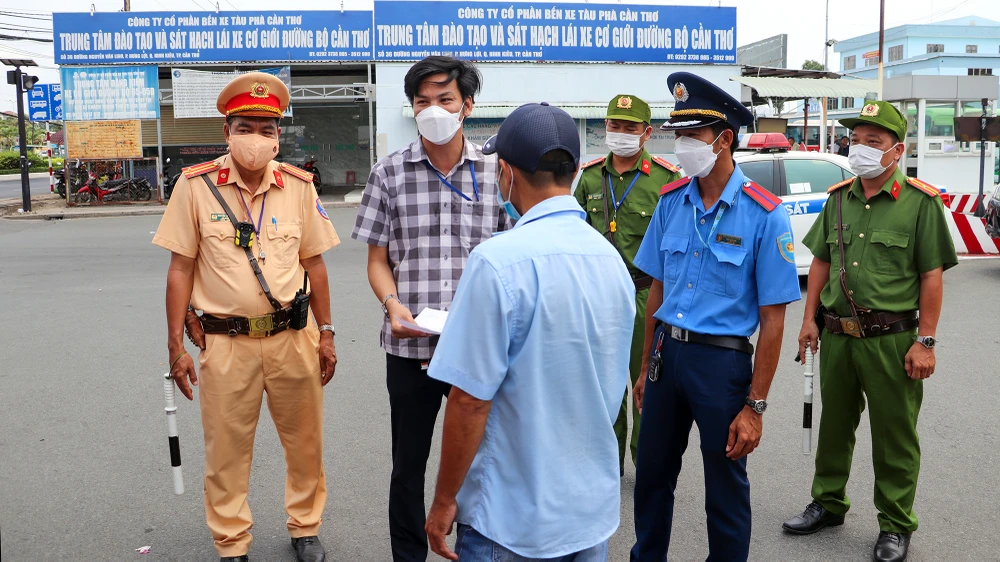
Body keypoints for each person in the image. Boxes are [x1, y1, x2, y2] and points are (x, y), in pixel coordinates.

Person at [423, 102, 635, 561]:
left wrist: (443, 501)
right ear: (574, 171)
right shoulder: (611, 260)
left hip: (510, 518)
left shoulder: (497, 262)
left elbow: (469, 401)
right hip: (588, 515)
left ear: (506, 173)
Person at [154, 72, 340, 562]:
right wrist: (174, 345)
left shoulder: (299, 186)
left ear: (278, 135)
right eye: (245, 127)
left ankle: (305, 528)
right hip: (225, 341)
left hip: (292, 338)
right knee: (226, 451)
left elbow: (315, 264)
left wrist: (326, 333)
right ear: (227, 132)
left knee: (305, 443)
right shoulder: (194, 186)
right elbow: (180, 268)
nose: (256, 138)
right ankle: (232, 541)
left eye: (266, 129)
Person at [629, 72, 801, 561]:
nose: (681, 145)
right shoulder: (671, 202)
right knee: (652, 477)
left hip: (720, 365)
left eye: (692, 135)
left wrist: (755, 406)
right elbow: (657, 289)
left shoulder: (764, 214)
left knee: (724, 488)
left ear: (724, 139)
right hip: (666, 357)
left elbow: (773, 321)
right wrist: (644, 367)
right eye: (678, 134)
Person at [782, 100, 958, 562]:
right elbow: (821, 262)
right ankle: (828, 502)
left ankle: (896, 523)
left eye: (872, 141)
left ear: (897, 150)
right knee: (834, 427)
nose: (859, 147)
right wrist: (808, 320)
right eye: (855, 139)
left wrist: (926, 341)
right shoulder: (838, 198)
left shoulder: (921, 203)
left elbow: (931, 275)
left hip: (891, 340)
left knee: (894, 435)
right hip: (838, 336)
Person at [351, 56, 510, 562]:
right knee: (409, 464)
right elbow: (378, 260)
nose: (433, 110)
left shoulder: (497, 171)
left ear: (467, 105)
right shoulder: (388, 172)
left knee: (481, 457)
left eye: (445, 99)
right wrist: (391, 303)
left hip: (477, 344)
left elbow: (514, 255)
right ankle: (408, 555)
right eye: (423, 102)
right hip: (409, 344)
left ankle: (476, 549)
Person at [574, 94, 682, 476]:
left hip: (645, 294)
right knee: (603, 383)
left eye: (629, 128)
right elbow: (574, 236)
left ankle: (646, 462)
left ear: (646, 133)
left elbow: (676, 247)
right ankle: (606, 463)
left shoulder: (666, 180)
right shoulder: (589, 177)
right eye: (614, 125)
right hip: (599, 295)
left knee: (647, 379)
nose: (620, 133)